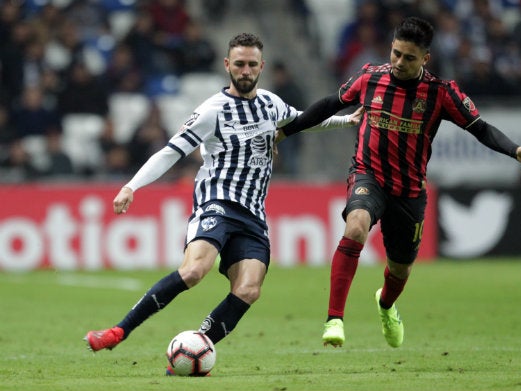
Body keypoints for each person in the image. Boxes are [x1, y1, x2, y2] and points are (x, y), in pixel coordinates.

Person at [84, 33, 360, 363]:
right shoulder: (211, 111)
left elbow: (302, 121)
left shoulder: (271, 104)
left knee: (248, 290)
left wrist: (346, 119)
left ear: (262, 66)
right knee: (194, 271)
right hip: (217, 203)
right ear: (228, 65)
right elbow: (171, 151)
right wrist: (131, 186)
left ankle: (197, 347)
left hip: (253, 216)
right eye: (239, 64)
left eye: (252, 65)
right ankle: (118, 332)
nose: (245, 70)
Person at [279, 17, 521, 349]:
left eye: (408, 57)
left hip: (409, 192)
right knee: (356, 226)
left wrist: (514, 150)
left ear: (425, 59)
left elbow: (481, 128)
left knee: (399, 269)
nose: (399, 63)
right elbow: (329, 105)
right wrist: (286, 131)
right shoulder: (369, 78)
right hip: (368, 175)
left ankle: (386, 304)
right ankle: (334, 318)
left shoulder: (441, 93)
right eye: (395, 53)